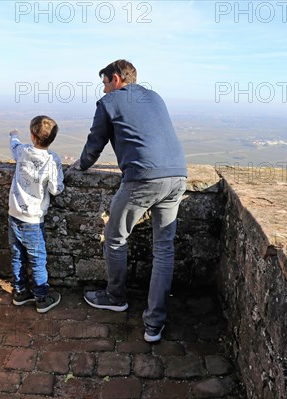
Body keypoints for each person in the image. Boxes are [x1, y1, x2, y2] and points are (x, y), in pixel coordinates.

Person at [68, 59, 187, 342]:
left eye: (105, 83)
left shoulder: (108, 103)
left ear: (116, 79)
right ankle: (154, 324)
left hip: (143, 178)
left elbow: (94, 144)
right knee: (164, 249)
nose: (105, 90)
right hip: (178, 175)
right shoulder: (155, 96)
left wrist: (79, 166)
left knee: (115, 237)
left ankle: (115, 296)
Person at [8, 115, 64, 313]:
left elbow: (14, 145)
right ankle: (41, 298)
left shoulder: (22, 151)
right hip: (33, 220)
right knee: (37, 258)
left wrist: (14, 135)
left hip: (14, 214)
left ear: (32, 136)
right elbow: (56, 189)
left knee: (17, 255)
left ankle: (20, 292)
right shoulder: (51, 160)